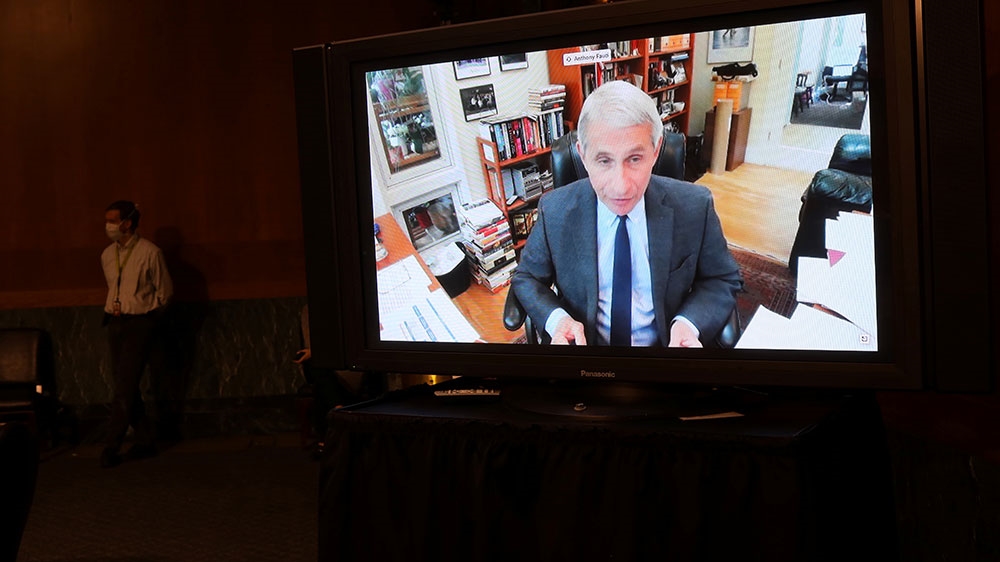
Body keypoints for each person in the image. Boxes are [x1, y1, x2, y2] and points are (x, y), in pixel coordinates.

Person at [511, 81, 741, 347]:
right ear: (583, 156)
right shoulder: (554, 210)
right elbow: (527, 278)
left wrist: (688, 324)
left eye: (635, 159)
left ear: (656, 151)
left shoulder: (695, 206)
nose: (620, 187)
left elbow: (722, 278)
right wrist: (557, 320)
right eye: (604, 160)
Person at [100, 200, 173, 468]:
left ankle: (111, 446)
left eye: (112, 220)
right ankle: (145, 439)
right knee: (125, 384)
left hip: (140, 323)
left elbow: (165, 292)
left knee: (124, 386)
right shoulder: (107, 255)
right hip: (115, 322)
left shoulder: (150, 253)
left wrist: (148, 319)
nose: (108, 226)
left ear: (127, 223)